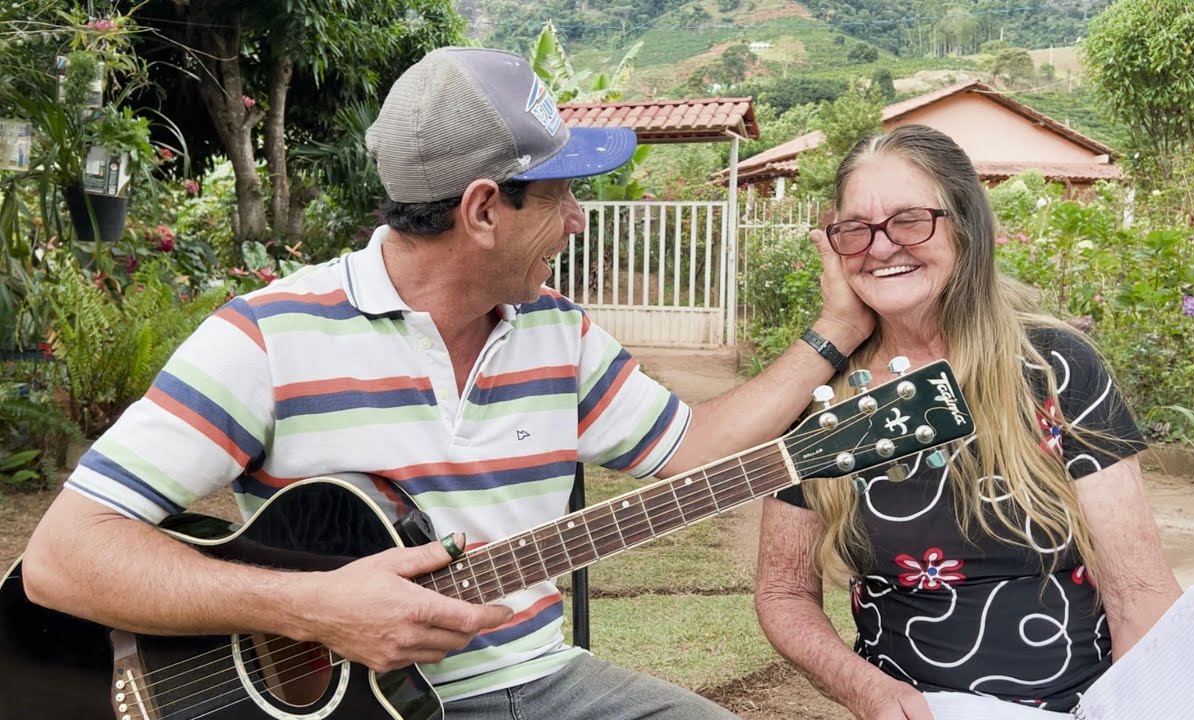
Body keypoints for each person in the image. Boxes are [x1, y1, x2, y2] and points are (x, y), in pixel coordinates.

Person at [21, 48, 867, 719]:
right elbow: (62, 560)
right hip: (348, 702)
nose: (577, 221)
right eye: (564, 196)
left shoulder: (558, 333)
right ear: (484, 209)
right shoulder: (266, 339)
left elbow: (699, 449)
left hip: (542, 683)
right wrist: (311, 610)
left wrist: (836, 332)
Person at [753, 124, 1183, 718]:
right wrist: (868, 691)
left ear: (967, 227)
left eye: (910, 220)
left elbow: (1139, 592)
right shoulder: (820, 395)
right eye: (856, 230)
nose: (881, 247)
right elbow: (784, 592)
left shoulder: (1051, 367)